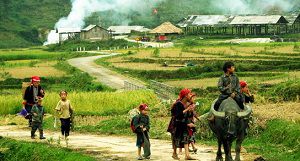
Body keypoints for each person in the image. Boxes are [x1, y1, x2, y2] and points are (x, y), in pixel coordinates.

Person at [171, 88, 196, 160]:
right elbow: (178, 116)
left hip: (183, 124)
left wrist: (190, 111)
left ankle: (187, 155)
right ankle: (174, 153)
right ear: (185, 96)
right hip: (177, 124)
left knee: (186, 138)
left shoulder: (186, 104)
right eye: (189, 94)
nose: (190, 95)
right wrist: (187, 109)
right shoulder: (178, 104)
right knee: (176, 139)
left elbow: (187, 116)